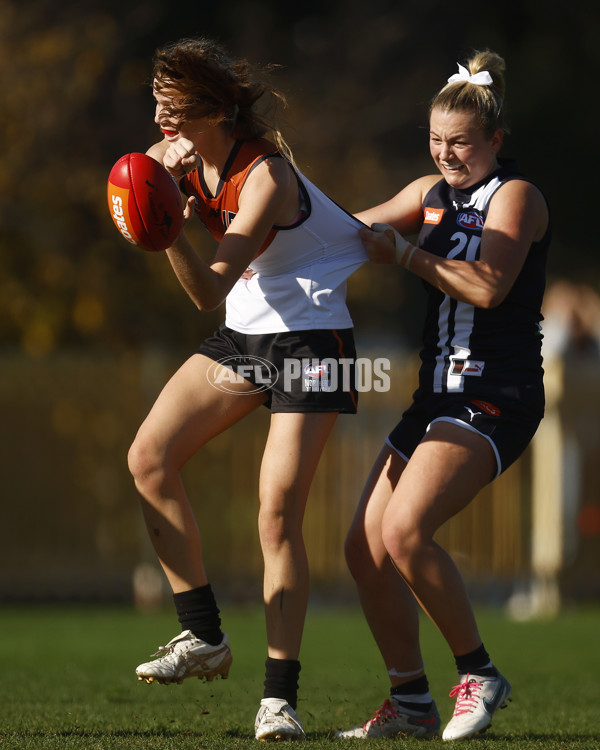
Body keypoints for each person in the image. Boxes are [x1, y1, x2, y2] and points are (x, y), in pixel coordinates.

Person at [126, 37, 367, 741]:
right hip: (249, 334)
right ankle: (202, 636)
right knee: (148, 459)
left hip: (313, 338)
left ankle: (278, 700)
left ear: (211, 106)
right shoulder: (175, 151)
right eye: (156, 99)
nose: (161, 114)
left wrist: (165, 218)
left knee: (275, 513)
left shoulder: (266, 176)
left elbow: (205, 290)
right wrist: (156, 190)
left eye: (173, 102)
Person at [337, 50, 550, 741]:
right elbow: (344, 231)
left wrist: (408, 256)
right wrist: (256, 213)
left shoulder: (516, 195)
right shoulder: (429, 192)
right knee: (365, 550)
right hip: (436, 398)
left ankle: (479, 673)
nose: (446, 152)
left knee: (403, 531)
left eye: (460, 141)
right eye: (437, 139)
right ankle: (411, 703)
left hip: (497, 392)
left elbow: (489, 285)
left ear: (494, 140)